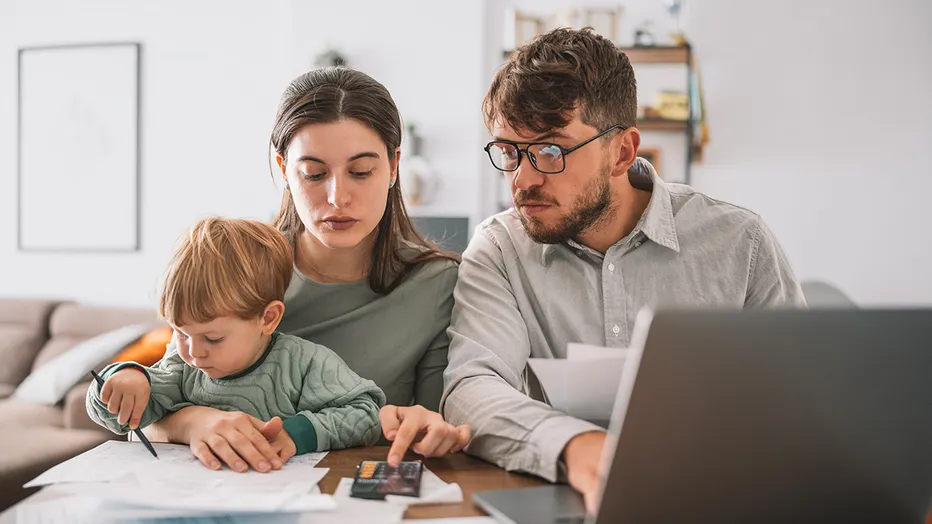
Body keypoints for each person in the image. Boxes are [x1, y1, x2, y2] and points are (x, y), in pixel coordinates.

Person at [440, 28, 806, 513]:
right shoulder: (500, 248)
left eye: (550, 151)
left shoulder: (741, 243)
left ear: (623, 152)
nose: (522, 179)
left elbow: (801, 398)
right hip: (565, 499)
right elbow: (471, 388)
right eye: (509, 151)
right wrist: (574, 446)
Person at [142, 68, 469, 474]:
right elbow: (149, 410)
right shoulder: (237, 266)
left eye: (361, 171)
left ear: (394, 166)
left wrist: (432, 428)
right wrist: (194, 422)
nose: (337, 197)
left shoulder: (438, 284)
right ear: (283, 169)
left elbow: (437, 420)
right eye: (313, 174)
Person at [88, 217, 386, 461]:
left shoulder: (302, 362)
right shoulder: (181, 365)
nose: (193, 352)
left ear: (267, 319)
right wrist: (124, 379)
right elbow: (122, 420)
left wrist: (299, 433)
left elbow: (367, 414)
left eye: (213, 338)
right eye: (179, 332)